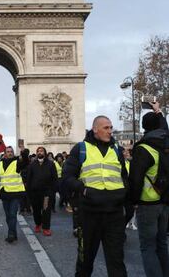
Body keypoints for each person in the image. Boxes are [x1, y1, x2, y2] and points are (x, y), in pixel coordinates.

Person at [63, 115, 128, 277]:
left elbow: (124, 177)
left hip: (114, 213)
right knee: (85, 262)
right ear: (95, 129)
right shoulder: (81, 149)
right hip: (89, 214)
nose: (110, 131)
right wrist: (83, 190)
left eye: (111, 128)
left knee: (117, 263)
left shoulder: (117, 150)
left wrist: (125, 198)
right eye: (106, 128)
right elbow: (67, 176)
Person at [129, 102, 169, 277]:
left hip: (148, 203)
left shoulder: (143, 148)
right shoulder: (165, 142)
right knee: (162, 244)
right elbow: (164, 128)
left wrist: (133, 202)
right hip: (165, 202)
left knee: (147, 247)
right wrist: (158, 111)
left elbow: (136, 179)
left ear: (144, 127)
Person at [0, 146, 29, 243]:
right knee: (8, 216)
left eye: (11, 151)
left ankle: (11, 234)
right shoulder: (0, 163)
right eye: (8, 151)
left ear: (13, 153)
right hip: (5, 193)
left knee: (13, 214)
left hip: (15, 193)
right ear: (5, 153)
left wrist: (23, 152)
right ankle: (14, 233)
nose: (10, 153)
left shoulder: (17, 162)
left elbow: (26, 162)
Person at [26, 146, 58, 236]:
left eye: (42, 151)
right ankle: (38, 224)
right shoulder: (32, 164)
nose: (40, 152)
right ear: (36, 153)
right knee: (36, 210)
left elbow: (55, 178)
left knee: (46, 210)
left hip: (47, 192)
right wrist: (28, 191)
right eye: (38, 151)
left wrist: (53, 190)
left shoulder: (51, 164)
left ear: (45, 153)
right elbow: (29, 178)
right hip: (35, 192)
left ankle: (46, 228)